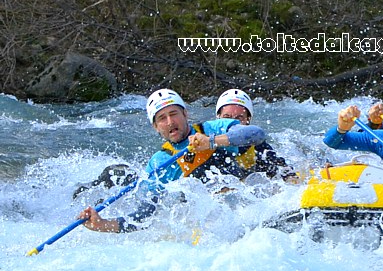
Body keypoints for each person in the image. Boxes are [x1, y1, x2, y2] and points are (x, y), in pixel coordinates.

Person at [77, 89, 269, 233]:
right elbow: (144, 216)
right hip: (213, 221)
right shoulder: (160, 163)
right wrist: (102, 225)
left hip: (245, 205)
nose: (170, 122)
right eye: (162, 118)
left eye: (174, 114)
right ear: (155, 127)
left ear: (185, 114)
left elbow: (256, 134)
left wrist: (211, 142)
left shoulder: (212, 129)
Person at [215, 89, 297, 181]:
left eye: (239, 118)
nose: (232, 123)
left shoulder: (256, 145)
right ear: (218, 118)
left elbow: (282, 170)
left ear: (248, 120)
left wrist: (291, 179)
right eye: (227, 117)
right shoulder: (207, 143)